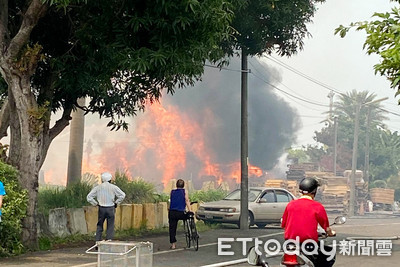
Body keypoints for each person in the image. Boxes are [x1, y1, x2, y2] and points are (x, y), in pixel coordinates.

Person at [281, 177, 336, 267]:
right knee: (329, 254)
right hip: (309, 246)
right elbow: (326, 228)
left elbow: (283, 224)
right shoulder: (317, 207)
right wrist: (331, 233)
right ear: (314, 191)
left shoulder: (290, 204)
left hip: (289, 245)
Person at [87, 172, 125, 242]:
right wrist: (117, 202)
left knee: (100, 225)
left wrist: (95, 203)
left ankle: (97, 241)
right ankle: (109, 240)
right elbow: (122, 195)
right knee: (110, 225)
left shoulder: (98, 187)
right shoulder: (114, 187)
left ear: (102, 180)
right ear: (110, 180)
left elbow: (89, 197)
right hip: (111, 208)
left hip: (101, 208)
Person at [168, 179, 191, 249]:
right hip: (180, 213)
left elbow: (171, 201)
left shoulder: (172, 192)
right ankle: (191, 230)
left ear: (176, 185)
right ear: (183, 185)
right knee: (189, 217)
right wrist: (190, 210)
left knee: (172, 228)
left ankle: (173, 245)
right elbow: (187, 200)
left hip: (172, 212)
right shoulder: (185, 191)